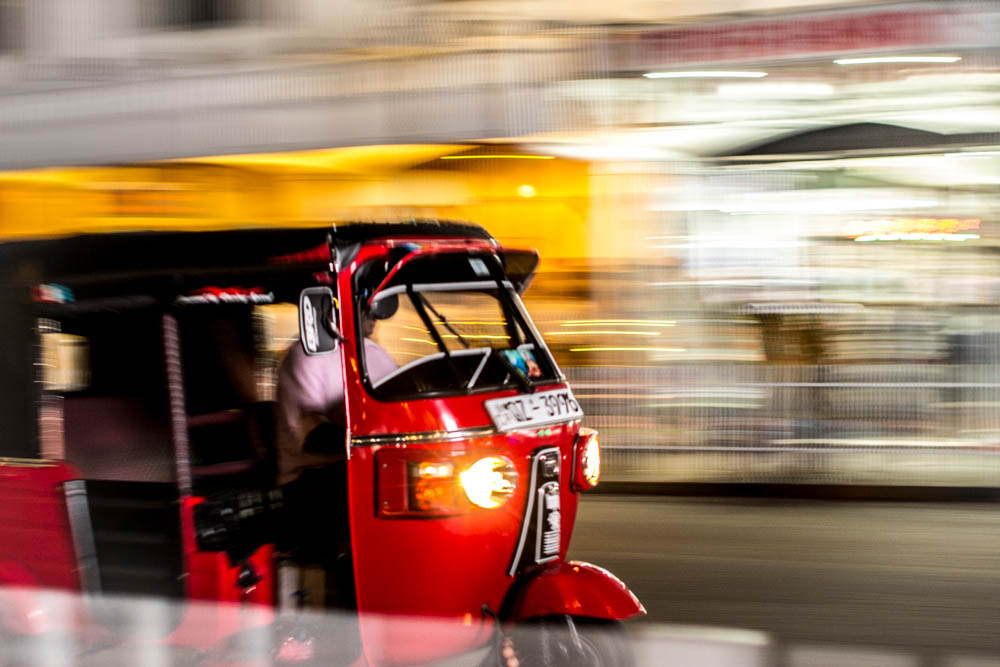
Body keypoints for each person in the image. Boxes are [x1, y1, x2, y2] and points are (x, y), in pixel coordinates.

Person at [274, 305, 396, 609]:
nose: (373, 320)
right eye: (366, 310)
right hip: (307, 475)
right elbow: (311, 435)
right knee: (365, 502)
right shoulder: (308, 355)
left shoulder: (375, 355)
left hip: (354, 466)